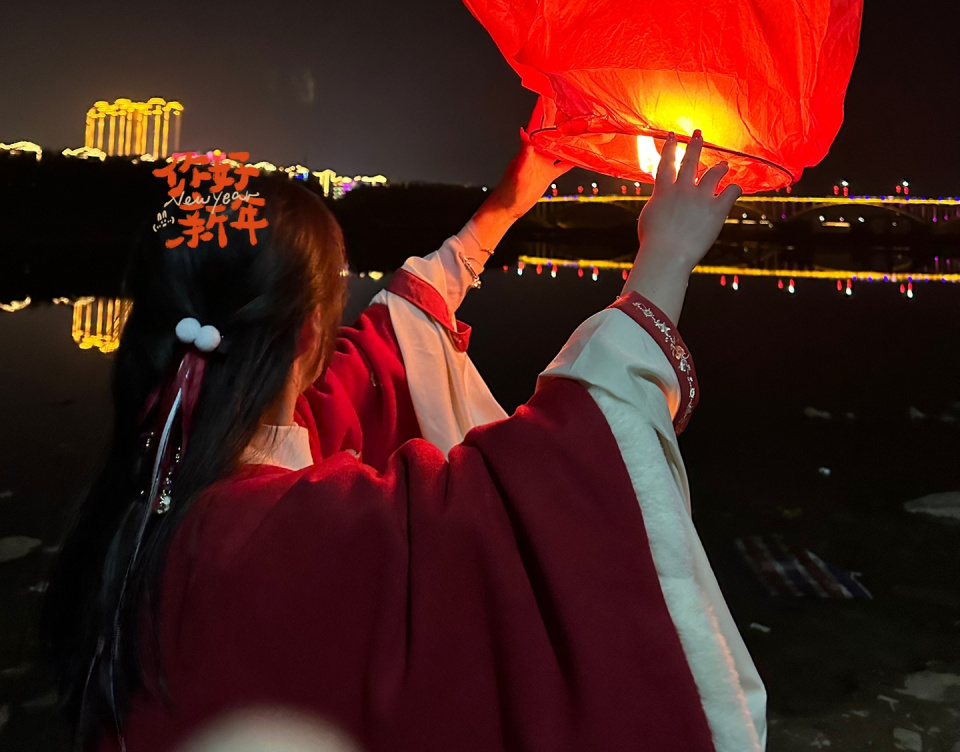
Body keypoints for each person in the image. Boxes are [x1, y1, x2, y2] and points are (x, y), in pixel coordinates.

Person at [46, 130, 766, 752]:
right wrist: (665, 260)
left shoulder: (154, 480)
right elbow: (547, 480)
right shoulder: (296, 536)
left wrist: (510, 202)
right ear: (305, 337)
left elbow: (383, 346)